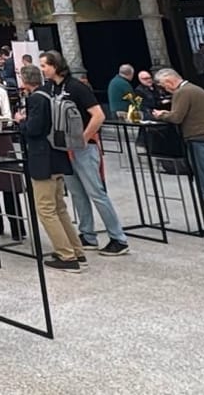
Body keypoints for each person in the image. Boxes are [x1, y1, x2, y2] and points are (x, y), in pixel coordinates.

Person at [43, 51, 130, 257]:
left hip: (83, 148)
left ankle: (118, 237)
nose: (42, 69)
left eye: (45, 65)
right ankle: (88, 234)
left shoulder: (76, 87)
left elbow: (98, 115)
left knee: (96, 192)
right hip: (64, 148)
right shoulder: (52, 88)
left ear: (55, 65)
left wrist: (84, 138)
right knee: (77, 193)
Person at [151, 68, 204, 240]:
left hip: (200, 140)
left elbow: (177, 117)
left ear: (169, 81)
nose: (164, 89)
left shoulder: (182, 92)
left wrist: (161, 115)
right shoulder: (196, 89)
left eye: (163, 85)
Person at [17, 65, 84, 272]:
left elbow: (34, 128)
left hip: (42, 157)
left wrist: (21, 122)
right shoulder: (51, 93)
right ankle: (76, 250)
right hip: (57, 155)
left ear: (25, 80)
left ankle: (66, 255)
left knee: (46, 208)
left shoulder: (36, 98)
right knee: (59, 207)